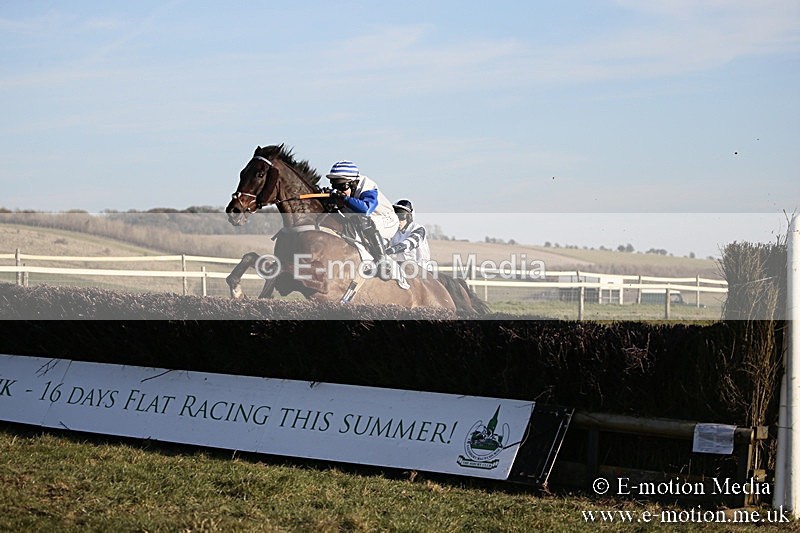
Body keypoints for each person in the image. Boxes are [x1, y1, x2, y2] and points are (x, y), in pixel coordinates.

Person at [326, 160, 399, 262]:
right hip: (363, 219)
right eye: (334, 186)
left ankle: (383, 261)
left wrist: (344, 199)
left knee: (362, 220)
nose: (338, 190)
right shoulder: (348, 189)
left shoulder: (367, 186)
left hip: (387, 221)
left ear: (353, 183)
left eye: (341, 186)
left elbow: (366, 209)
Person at [385, 199, 432, 271]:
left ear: (409, 217)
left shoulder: (419, 229)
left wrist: (393, 249)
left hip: (423, 271)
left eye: (401, 216)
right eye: (395, 216)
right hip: (404, 271)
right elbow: (384, 242)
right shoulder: (393, 231)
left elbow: (409, 244)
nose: (398, 220)